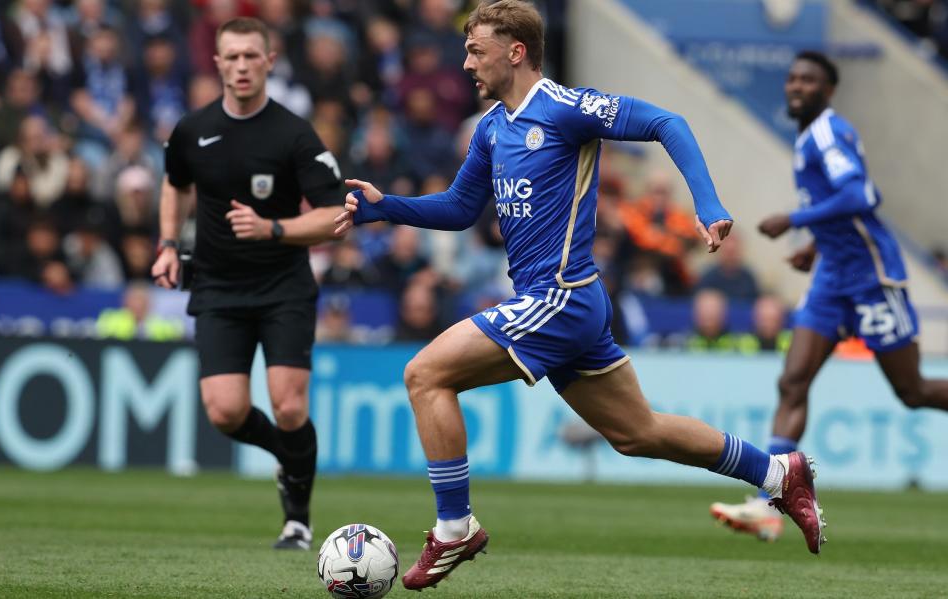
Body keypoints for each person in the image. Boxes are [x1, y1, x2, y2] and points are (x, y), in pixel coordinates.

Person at [333, 1, 826, 590]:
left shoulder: (565, 109)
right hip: (569, 305)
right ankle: (779, 472)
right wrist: (387, 207)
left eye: (475, 50)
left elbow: (668, 122)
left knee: (424, 375)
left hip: (561, 297)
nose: (465, 62)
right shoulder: (493, 127)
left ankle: (455, 527)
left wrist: (709, 203)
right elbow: (461, 209)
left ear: (516, 52)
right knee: (636, 432)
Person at [710, 50, 948, 541]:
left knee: (913, 392)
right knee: (792, 381)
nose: (795, 86)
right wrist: (816, 247)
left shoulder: (827, 132)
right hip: (833, 277)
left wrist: (793, 222)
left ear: (828, 90)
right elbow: (841, 207)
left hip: (871, 278)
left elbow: (861, 196)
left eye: (808, 80)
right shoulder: (806, 137)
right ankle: (766, 503)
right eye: (792, 78)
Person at [150, 17, 344, 551]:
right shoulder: (192, 129)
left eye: (250, 57)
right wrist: (168, 245)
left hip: (283, 284)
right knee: (225, 412)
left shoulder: (293, 133)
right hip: (216, 286)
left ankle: (297, 520)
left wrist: (273, 228)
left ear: (269, 61)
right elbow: (175, 185)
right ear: (216, 62)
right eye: (231, 57)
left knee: (288, 406)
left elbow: (334, 216)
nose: (240, 66)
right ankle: (290, 456)